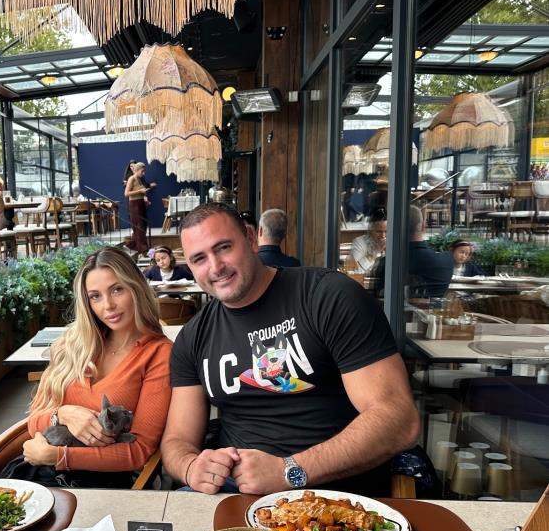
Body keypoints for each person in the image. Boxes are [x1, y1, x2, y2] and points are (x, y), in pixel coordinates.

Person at [161, 202, 420, 496]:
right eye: (199, 259)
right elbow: (177, 440)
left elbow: (399, 419)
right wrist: (191, 467)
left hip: (334, 494)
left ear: (250, 239)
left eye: (223, 248)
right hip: (233, 493)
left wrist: (290, 470)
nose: (215, 267)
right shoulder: (193, 336)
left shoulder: (327, 296)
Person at [14, 247, 172, 487]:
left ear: (136, 288)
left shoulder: (158, 353)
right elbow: (34, 420)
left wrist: (59, 457)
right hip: (41, 475)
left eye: (117, 290)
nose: (108, 305)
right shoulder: (72, 344)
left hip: (104, 485)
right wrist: (63, 414)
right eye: (95, 296)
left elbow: (139, 451)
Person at [371, 206, 452, 298]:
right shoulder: (447, 261)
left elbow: (380, 296)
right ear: (423, 227)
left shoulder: (389, 262)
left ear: (397, 229)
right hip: (432, 307)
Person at [124, 162, 156, 255]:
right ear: (137, 170)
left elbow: (141, 192)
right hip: (134, 205)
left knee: (143, 226)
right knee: (139, 227)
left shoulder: (139, 179)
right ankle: (144, 250)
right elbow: (126, 193)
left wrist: (145, 197)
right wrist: (140, 191)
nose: (144, 173)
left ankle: (132, 245)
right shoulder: (132, 178)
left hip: (141, 203)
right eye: (142, 171)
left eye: (144, 171)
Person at [346, 208, 386, 273]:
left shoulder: (394, 244)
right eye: (379, 231)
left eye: (386, 231)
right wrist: (375, 252)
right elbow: (355, 272)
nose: (383, 236)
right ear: (370, 231)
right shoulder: (359, 242)